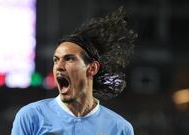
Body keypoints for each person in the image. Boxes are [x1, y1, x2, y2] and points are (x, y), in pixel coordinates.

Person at [11, 7, 137, 135]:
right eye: (56, 60)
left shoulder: (120, 128)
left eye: (69, 59)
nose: (59, 66)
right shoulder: (31, 117)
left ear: (92, 68)